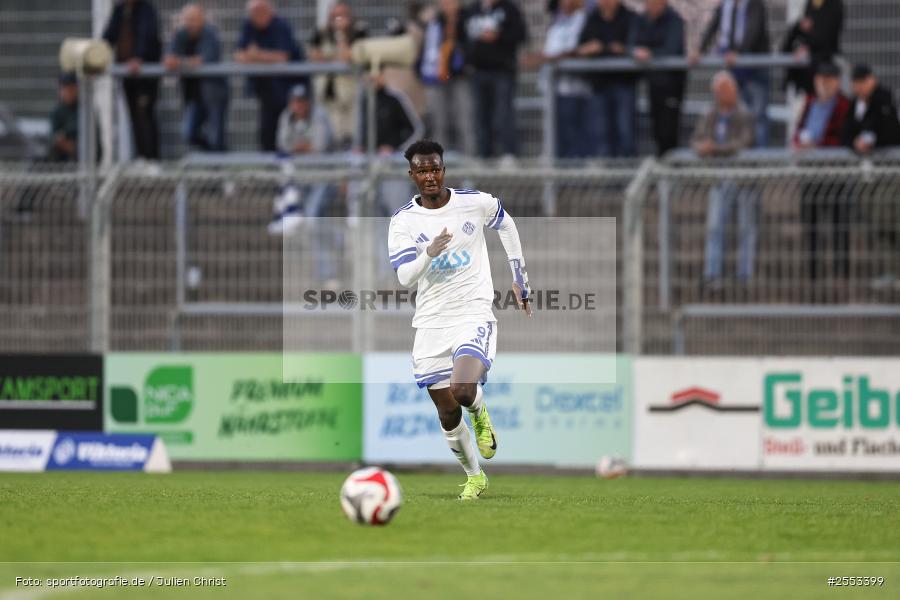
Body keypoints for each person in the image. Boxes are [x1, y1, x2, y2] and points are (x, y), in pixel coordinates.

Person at [388, 139, 532, 499]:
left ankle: (480, 414)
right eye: (422, 170)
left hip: (473, 311)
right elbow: (405, 277)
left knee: (464, 389)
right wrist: (429, 252)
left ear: (443, 169)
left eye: (435, 168)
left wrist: (520, 276)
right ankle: (474, 476)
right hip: (431, 322)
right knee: (448, 413)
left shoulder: (473, 202)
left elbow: (506, 222)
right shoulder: (403, 221)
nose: (430, 176)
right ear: (412, 175)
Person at [692, 72, 756, 286]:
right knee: (715, 226)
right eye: (719, 90)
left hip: (742, 178)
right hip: (718, 178)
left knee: (745, 227)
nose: (723, 94)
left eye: (727, 89)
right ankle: (713, 274)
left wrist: (715, 149)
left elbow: (744, 143)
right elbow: (696, 140)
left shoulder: (745, 114)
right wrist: (702, 148)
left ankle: (744, 275)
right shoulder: (709, 114)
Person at [793, 62, 850, 281]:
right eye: (820, 79)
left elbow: (843, 136)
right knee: (811, 224)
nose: (824, 84)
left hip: (835, 172)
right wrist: (799, 144)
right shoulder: (809, 102)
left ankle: (841, 272)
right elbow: (798, 129)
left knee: (839, 224)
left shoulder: (844, 105)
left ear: (836, 81)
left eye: (828, 80)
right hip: (811, 170)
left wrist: (818, 147)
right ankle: (813, 273)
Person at [696, 0, 771, 147]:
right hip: (734, 70)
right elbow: (712, 27)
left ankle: (761, 159)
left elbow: (753, 30)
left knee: (758, 115)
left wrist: (739, 52)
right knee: (736, 116)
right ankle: (737, 157)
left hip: (755, 69)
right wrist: (700, 50)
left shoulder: (755, 4)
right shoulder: (725, 5)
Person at [235, 0, 306, 152]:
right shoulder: (249, 25)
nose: (258, 16)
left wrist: (256, 55)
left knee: (288, 129)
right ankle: (270, 169)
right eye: (254, 13)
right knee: (267, 132)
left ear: (270, 11)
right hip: (266, 91)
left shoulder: (280, 26)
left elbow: (282, 57)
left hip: (287, 90)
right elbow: (239, 55)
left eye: (262, 11)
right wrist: (262, 57)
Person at [463, 0, 528, 161]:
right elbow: (463, 37)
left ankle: (508, 153)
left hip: (502, 71)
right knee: (481, 115)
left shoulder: (509, 9)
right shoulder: (472, 10)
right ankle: (484, 154)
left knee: (503, 114)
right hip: (478, 71)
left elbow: (521, 34)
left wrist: (498, 36)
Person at [576, 0, 637, 158]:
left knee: (625, 134)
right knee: (601, 136)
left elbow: (636, 47)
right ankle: (608, 180)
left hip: (624, 84)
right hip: (599, 86)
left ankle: (629, 177)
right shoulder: (592, 18)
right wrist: (591, 49)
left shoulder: (630, 18)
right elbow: (581, 48)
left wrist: (623, 50)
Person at [164, 4, 229, 152]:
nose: (190, 23)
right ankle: (213, 156)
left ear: (202, 20)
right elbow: (169, 59)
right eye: (187, 19)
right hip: (193, 95)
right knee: (189, 134)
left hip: (214, 94)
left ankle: (218, 167)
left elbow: (201, 61)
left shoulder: (210, 34)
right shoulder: (180, 34)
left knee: (216, 136)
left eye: (194, 19)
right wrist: (183, 62)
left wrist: (180, 62)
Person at [102, 0, 162, 159]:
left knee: (144, 115)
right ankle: (142, 157)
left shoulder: (146, 10)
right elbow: (108, 36)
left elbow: (147, 35)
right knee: (134, 117)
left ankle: (152, 159)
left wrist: (139, 58)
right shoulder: (120, 10)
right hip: (128, 76)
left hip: (145, 77)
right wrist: (96, 54)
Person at [416, 0, 476, 156]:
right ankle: (440, 160)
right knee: (439, 121)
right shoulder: (434, 23)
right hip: (438, 78)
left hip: (460, 77)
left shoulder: (468, 19)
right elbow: (426, 50)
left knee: (465, 120)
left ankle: (470, 159)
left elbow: (472, 46)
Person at [308, 2, 368, 149]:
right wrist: (334, 59)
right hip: (327, 96)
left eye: (342, 15)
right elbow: (313, 56)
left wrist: (341, 35)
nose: (338, 19)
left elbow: (349, 56)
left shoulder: (358, 32)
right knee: (326, 137)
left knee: (351, 136)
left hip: (350, 95)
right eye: (335, 16)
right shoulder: (321, 33)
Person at [630, 0, 685, 156]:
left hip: (671, 86)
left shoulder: (675, 20)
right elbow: (632, 43)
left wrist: (651, 54)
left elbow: (672, 49)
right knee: (656, 131)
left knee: (669, 132)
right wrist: (635, 51)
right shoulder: (641, 20)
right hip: (653, 86)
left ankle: (671, 174)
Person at [543, 0, 590, 159]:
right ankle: (562, 179)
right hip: (556, 90)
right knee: (559, 139)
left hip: (576, 90)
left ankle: (577, 179)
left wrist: (550, 58)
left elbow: (573, 50)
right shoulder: (558, 21)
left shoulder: (583, 19)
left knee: (576, 138)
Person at [781, 0, 843, 96]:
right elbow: (803, 28)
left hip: (823, 63)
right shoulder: (812, 3)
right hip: (808, 70)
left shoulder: (833, 4)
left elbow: (827, 34)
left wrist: (808, 45)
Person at [842, 64, 900, 154]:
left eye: (862, 81)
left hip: (886, 158)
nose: (860, 86)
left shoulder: (884, 100)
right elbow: (846, 132)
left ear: (873, 80)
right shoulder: (854, 104)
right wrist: (854, 142)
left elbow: (890, 130)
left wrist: (871, 141)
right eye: (856, 82)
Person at [47, 73, 80, 163]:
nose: (67, 92)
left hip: (81, 155)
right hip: (60, 158)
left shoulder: (84, 110)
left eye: (71, 88)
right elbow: (54, 137)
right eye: (64, 88)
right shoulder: (58, 111)